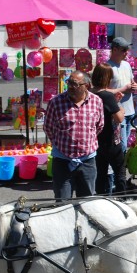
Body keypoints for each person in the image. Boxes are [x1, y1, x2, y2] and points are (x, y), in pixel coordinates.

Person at [44, 70, 104, 199]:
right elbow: (48, 128)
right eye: (69, 82)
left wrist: (85, 144)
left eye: (75, 84)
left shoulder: (96, 101)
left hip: (87, 161)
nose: (70, 86)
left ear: (86, 86)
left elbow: (99, 126)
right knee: (62, 203)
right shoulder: (56, 102)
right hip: (63, 160)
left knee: (87, 203)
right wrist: (63, 145)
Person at [90, 63, 126, 195]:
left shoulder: (90, 93)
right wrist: (120, 107)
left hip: (96, 139)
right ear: (107, 78)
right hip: (110, 139)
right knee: (120, 171)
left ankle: (101, 197)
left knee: (101, 172)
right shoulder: (106, 95)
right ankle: (123, 198)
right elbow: (119, 118)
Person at [108, 37, 137, 153]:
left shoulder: (126, 65)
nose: (127, 52)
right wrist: (123, 89)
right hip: (117, 112)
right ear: (115, 50)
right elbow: (101, 91)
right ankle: (117, 170)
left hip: (130, 110)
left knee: (125, 146)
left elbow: (131, 82)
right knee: (122, 146)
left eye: (127, 49)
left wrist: (134, 86)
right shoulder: (107, 67)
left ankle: (118, 169)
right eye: (124, 50)